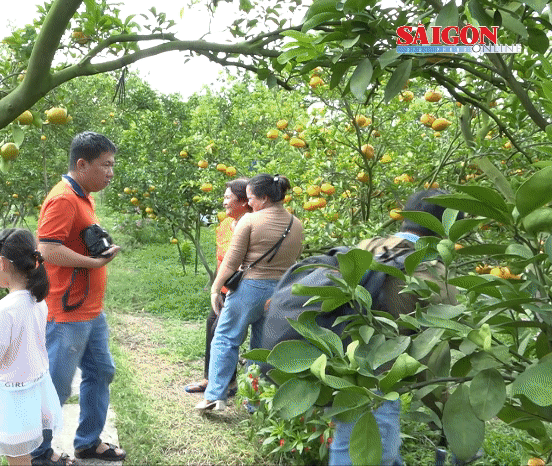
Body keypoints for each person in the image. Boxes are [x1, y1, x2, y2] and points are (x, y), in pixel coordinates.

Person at [327, 189, 461, 466]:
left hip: (339, 368)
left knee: (381, 449)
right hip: (378, 385)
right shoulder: (432, 273)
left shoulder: (366, 246)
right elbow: (433, 351)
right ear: (445, 228)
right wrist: (448, 416)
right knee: (362, 453)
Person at [29, 132, 124, 466]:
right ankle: (40, 452)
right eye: (106, 165)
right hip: (67, 310)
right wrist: (94, 262)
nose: (111, 172)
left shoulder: (83, 195)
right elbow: (48, 248)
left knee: (101, 371)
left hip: (88, 308)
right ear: (82, 164)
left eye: (113, 165)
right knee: (56, 384)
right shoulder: (64, 198)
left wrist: (98, 252)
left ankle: (87, 442)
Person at [197, 174, 304, 411]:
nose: (249, 203)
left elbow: (232, 261)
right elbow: (294, 259)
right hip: (279, 292)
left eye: (251, 198)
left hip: (251, 288)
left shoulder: (250, 221)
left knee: (225, 338)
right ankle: (253, 401)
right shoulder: (296, 224)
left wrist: (216, 288)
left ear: (264, 198)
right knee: (261, 346)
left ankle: (215, 396)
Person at [0, 229, 63, 466]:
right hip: (32, 386)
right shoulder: (36, 298)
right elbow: (21, 331)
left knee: (16, 456)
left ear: (3, 264)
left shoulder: (5, 308)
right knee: (21, 454)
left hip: (12, 395)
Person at [184, 178, 251, 394]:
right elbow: (221, 260)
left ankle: (225, 383)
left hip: (242, 289)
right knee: (211, 328)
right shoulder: (224, 225)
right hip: (223, 288)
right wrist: (217, 286)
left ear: (242, 201)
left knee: (221, 333)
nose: (223, 202)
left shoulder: (252, 225)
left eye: (227, 197)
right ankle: (210, 379)